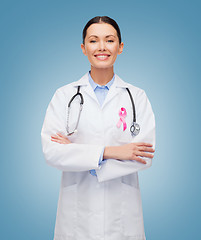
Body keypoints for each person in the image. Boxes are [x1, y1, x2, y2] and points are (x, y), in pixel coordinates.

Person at [41, 16, 155, 240]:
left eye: (109, 40)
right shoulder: (64, 96)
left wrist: (77, 152)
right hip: (76, 219)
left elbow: (143, 155)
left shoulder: (137, 97)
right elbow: (53, 152)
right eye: (94, 41)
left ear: (120, 47)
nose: (102, 47)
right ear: (84, 48)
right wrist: (110, 152)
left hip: (122, 218)